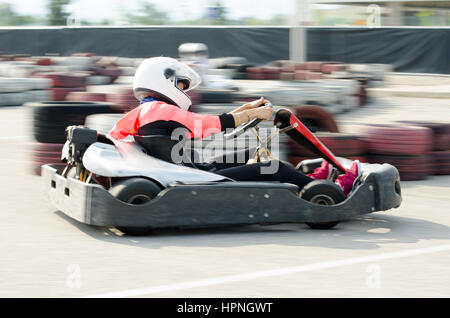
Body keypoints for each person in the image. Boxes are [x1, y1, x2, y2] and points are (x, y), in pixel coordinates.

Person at [109, 56, 361, 196]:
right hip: (194, 179)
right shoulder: (162, 109)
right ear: (164, 82)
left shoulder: (142, 111)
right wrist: (259, 113)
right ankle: (323, 190)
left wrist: (246, 110)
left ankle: (307, 181)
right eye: (182, 85)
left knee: (246, 154)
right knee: (273, 167)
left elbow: (113, 137)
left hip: (187, 170)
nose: (184, 90)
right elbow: (210, 124)